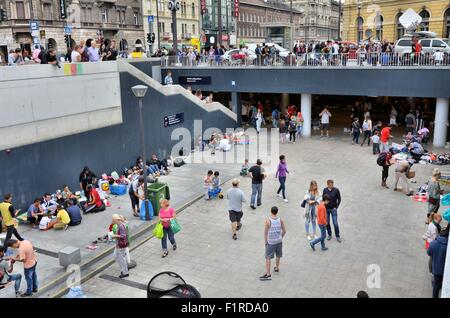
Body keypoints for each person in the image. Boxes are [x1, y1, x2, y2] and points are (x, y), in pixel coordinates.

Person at [260, 206, 286, 281]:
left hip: (271, 242)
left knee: (268, 257)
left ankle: (268, 274)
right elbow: (284, 231)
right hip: (279, 241)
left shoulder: (268, 221)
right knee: (278, 255)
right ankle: (277, 268)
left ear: (271, 212)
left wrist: (266, 242)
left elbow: (265, 232)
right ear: (277, 212)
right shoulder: (280, 220)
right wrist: (280, 237)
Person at [427, 226, 448, 298]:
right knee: (441, 281)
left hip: (435, 268)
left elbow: (428, 253)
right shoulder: (447, 247)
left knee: (435, 285)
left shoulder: (433, 243)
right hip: (445, 270)